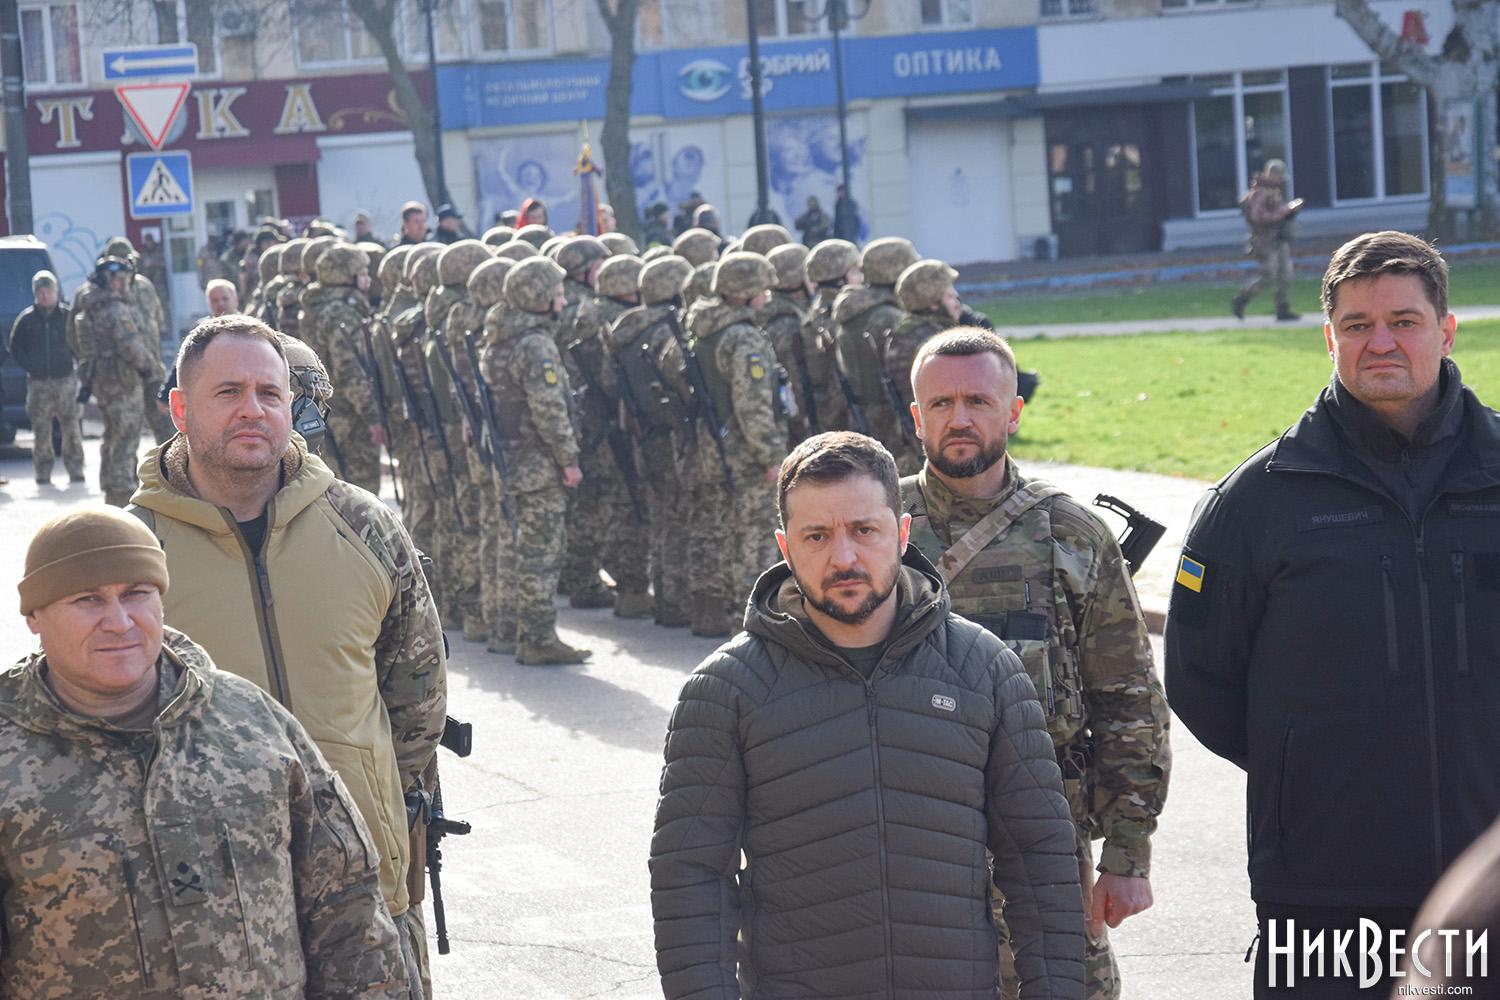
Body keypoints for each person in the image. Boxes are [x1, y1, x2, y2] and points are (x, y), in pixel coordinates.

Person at [1165, 231, 1500, 999]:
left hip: (1491, 891)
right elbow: (1198, 678)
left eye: (1404, 321)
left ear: (1447, 331)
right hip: (1321, 893)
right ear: (1329, 339)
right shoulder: (1258, 500)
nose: (1381, 342)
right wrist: (1306, 770)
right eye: (1357, 325)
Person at [651, 431, 1085, 998]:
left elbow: (1039, 857)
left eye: (864, 530)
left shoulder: (985, 669)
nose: (844, 557)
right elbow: (691, 878)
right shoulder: (725, 689)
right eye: (816, 536)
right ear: (786, 548)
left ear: (901, 534)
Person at [127, 315, 447, 993]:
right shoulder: (134, 548)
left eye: (269, 394)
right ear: (180, 409)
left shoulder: (363, 526)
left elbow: (417, 701)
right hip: (212, 922)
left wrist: (375, 801)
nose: (253, 410)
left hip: (368, 898)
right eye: (228, 392)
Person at [2, 507, 412, 998]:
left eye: (137, 593)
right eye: (87, 600)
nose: (119, 621)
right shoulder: (10, 755)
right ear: (34, 616)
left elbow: (348, 906)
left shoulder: (251, 721)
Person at [904, 328, 1170, 1000]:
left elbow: (1130, 699)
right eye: (940, 404)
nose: (959, 418)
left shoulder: (1071, 534)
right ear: (917, 417)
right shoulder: (875, 530)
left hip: (1043, 841)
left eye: (978, 401)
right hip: (906, 847)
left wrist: (1128, 853)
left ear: (1014, 411)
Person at [479, 256, 588, 664]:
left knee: (511, 548)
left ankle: (506, 629)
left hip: (510, 460)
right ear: (538, 296)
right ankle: (538, 638)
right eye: (557, 294)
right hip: (537, 463)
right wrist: (568, 459)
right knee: (541, 551)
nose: (563, 301)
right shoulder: (535, 344)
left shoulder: (499, 338)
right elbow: (549, 410)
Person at [80, 257, 163, 507]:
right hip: (123, 383)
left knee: (112, 436)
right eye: (124, 279)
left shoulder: (93, 306)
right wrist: (152, 369)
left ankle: (111, 488)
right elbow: (131, 346)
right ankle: (122, 495)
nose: (127, 284)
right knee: (126, 437)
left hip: (105, 382)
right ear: (114, 282)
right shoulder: (116, 310)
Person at [7, 269, 84, 484]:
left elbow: (79, 344)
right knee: (41, 429)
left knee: (71, 427)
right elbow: (15, 347)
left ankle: (75, 468)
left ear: (55, 292)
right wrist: (31, 366)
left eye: (48, 291)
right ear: (35, 294)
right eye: (40, 292)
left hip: (65, 381)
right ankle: (43, 470)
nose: (45, 296)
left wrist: (79, 365)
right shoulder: (26, 319)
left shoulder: (67, 317)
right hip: (38, 383)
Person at [1232, 158, 1303, 322]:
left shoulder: (1273, 191)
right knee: (1269, 276)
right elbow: (1258, 217)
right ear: (1272, 174)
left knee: (1286, 275)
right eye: (1279, 176)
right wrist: (1285, 210)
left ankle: (1282, 309)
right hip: (1264, 242)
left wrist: (1289, 211)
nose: (1281, 180)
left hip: (1278, 239)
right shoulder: (1260, 193)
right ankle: (1242, 298)